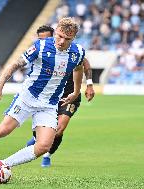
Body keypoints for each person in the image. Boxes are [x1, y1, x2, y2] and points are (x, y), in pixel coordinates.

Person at [0, 17, 85, 173]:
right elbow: (16, 64)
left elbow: (78, 69)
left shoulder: (78, 52)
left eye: (67, 39)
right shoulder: (40, 47)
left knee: (44, 146)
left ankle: (3, 165)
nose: (62, 41)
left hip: (49, 104)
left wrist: (76, 91)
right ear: (55, 32)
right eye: (60, 36)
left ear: (73, 38)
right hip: (28, 98)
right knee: (3, 130)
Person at [26, 25, 95, 167]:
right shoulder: (40, 52)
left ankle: (47, 154)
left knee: (59, 129)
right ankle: (38, 139)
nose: (43, 42)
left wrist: (89, 84)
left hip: (69, 95)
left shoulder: (72, 51)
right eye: (40, 39)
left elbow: (85, 64)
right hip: (48, 96)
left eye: (46, 38)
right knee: (45, 129)